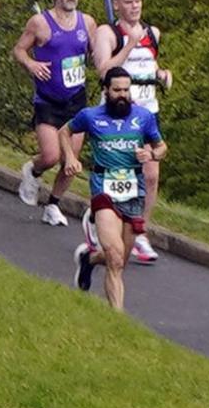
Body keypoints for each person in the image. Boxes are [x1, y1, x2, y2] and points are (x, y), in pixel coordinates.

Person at [63, 69, 165, 312]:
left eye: (126, 90)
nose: (122, 95)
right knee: (116, 257)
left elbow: (162, 147)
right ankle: (117, 320)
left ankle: (88, 259)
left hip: (133, 192)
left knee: (119, 261)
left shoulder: (144, 117)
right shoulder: (90, 116)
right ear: (106, 91)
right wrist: (69, 158)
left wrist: (151, 154)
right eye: (117, 90)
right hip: (103, 189)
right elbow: (64, 132)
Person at [92, 0, 174, 263]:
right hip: (118, 113)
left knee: (150, 176)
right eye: (128, 2)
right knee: (117, 173)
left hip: (147, 112)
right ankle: (101, 221)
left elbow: (149, 64)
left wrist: (162, 74)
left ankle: (140, 232)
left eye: (138, 1)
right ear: (116, 5)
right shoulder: (108, 33)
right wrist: (129, 43)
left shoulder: (153, 33)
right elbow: (103, 71)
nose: (135, 6)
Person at [12, 0, 99, 228]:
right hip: (48, 99)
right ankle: (33, 171)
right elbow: (18, 50)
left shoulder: (88, 23)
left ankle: (53, 204)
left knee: (71, 160)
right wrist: (31, 64)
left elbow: (96, 54)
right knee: (50, 156)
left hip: (76, 100)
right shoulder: (41, 23)